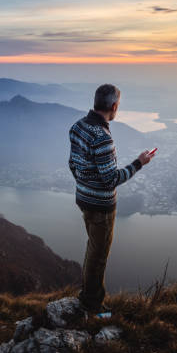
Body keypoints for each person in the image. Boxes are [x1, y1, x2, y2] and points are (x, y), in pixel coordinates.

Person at [68, 83, 155, 314]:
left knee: (92, 249)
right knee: (99, 256)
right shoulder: (102, 137)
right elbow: (110, 179)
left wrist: (85, 184)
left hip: (84, 199)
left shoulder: (78, 127)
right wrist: (139, 163)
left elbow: (73, 164)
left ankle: (87, 295)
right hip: (101, 207)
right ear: (114, 106)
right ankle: (93, 305)